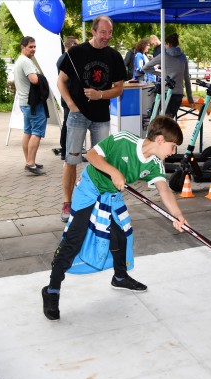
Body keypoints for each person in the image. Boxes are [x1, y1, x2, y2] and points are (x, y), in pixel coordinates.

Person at [41, 115, 188, 321]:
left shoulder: (155, 163)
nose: (174, 152)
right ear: (161, 140)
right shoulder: (123, 140)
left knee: (121, 236)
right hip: (90, 190)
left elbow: (164, 190)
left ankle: (120, 277)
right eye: (173, 146)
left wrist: (178, 216)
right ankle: (52, 290)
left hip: (111, 195)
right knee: (74, 240)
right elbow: (91, 155)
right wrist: (114, 172)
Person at [57, 15, 126, 223]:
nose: (106, 36)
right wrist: (70, 105)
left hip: (101, 117)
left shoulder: (114, 56)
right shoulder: (76, 52)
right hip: (77, 116)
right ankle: (67, 202)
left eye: (109, 32)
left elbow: (119, 89)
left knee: (100, 162)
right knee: (71, 160)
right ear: (93, 32)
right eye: (103, 32)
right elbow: (61, 81)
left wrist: (100, 95)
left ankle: (98, 201)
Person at [14, 36, 47, 175]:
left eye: (34, 46)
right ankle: (31, 163)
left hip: (24, 103)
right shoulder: (26, 61)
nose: (33, 49)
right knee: (37, 132)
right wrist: (42, 78)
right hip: (32, 103)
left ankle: (29, 160)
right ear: (23, 47)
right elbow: (34, 80)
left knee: (27, 131)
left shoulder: (19, 60)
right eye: (30, 47)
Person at [143, 33, 193, 119]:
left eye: (165, 44)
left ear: (168, 44)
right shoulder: (183, 57)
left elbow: (145, 67)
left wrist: (162, 74)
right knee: (170, 120)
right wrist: (190, 98)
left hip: (166, 92)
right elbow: (187, 78)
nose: (164, 46)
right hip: (178, 94)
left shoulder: (163, 55)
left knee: (163, 122)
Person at [56, 36, 79, 160]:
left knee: (68, 124)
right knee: (69, 124)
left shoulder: (65, 58)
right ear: (72, 45)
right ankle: (66, 151)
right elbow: (63, 80)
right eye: (77, 45)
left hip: (69, 97)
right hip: (69, 97)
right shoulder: (66, 59)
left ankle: (67, 150)